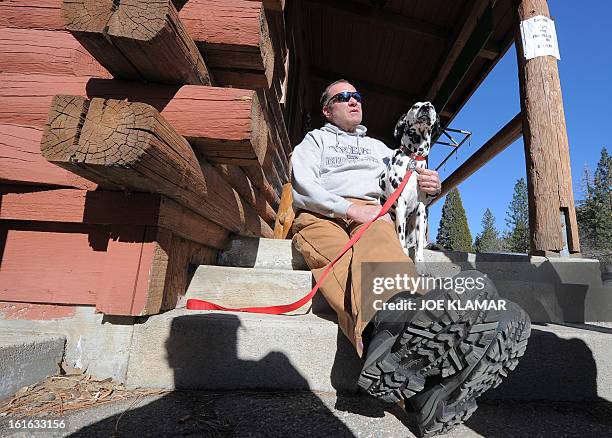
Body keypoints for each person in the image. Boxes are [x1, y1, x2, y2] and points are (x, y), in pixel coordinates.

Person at [290, 79, 531, 436]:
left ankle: (412, 361)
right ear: (327, 109)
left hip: (372, 214)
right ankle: (417, 378)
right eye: (343, 97)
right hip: (321, 214)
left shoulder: (379, 149)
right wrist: (347, 208)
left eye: (357, 96)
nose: (354, 101)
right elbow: (303, 185)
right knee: (337, 257)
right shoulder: (315, 141)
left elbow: (404, 183)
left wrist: (424, 186)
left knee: (379, 237)